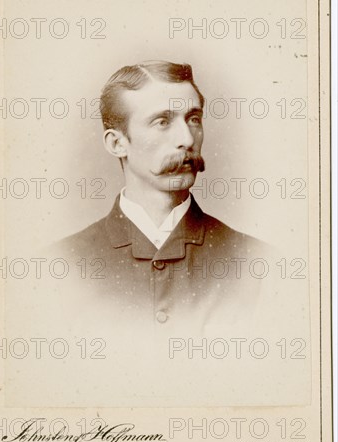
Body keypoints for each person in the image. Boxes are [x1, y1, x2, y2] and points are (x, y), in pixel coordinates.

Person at [55, 60, 268, 331]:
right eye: (162, 121)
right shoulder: (61, 267)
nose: (187, 139)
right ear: (117, 143)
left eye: (193, 119)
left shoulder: (257, 263)